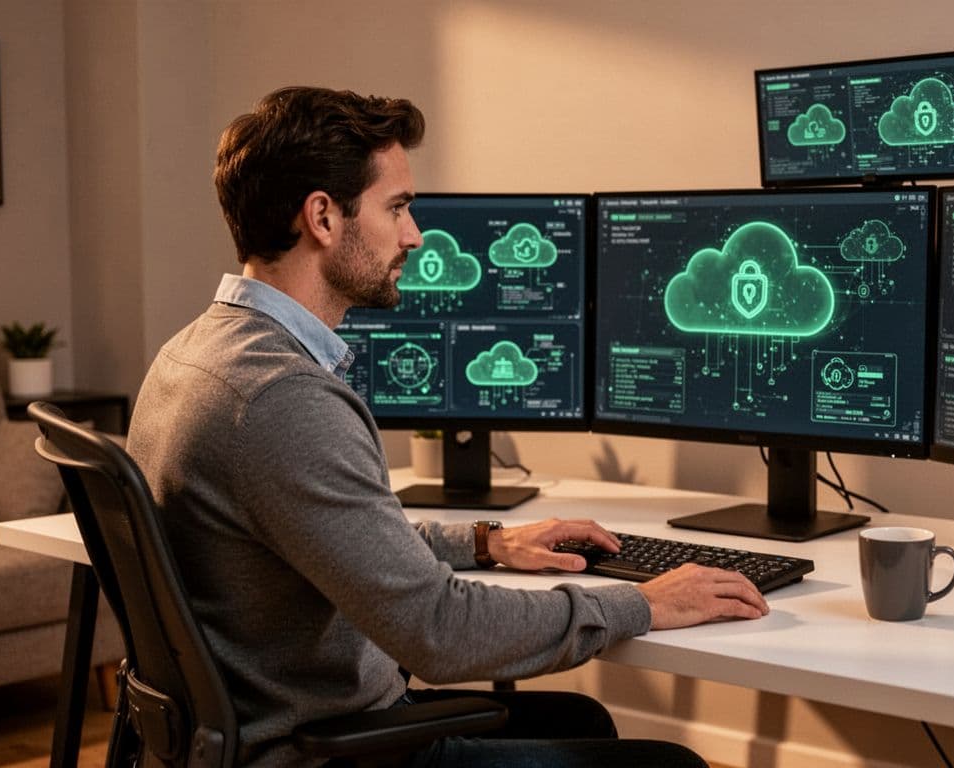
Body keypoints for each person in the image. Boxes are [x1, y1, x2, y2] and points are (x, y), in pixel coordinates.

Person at [126, 86, 769, 768]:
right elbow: (440, 631)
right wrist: (640, 604)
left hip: (268, 724)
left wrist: (489, 542)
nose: (415, 235)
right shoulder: (283, 398)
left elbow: (335, 537)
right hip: (322, 750)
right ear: (322, 216)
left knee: (583, 719)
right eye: (397, 207)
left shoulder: (195, 353)